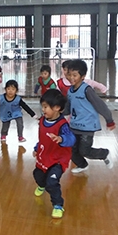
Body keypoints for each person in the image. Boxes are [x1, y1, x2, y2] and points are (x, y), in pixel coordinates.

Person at [64, 59, 115, 174]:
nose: (71, 78)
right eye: (69, 75)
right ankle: (82, 165)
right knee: (71, 149)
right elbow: (67, 108)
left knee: (84, 150)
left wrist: (109, 120)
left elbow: (100, 105)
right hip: (74, 125)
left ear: (83, 76)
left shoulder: (87, 90)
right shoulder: (70, 91)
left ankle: (104, 154)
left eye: (75, 75)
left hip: (88, 126)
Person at [33, 89, 76, 219]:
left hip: (58, 159)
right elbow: (42, 138)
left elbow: (72, 139)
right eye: (43, 107)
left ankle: (58, 205)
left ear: (57, 108)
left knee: (52, 182)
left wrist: (61, 139)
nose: (43, 110)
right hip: (44, 156)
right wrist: (37, 147)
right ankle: (42, 185)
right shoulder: (42, 121)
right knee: (37, 175)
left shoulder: (63, 125)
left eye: (46, 107)